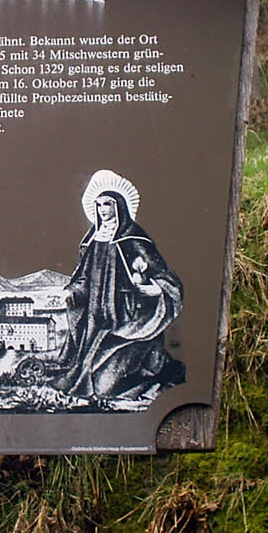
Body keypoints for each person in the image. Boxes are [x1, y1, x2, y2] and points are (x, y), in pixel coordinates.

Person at [54, 170, 184, 406]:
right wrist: (71, 291)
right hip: (95, 324)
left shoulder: (134, 239)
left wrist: (151, 288)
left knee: (105, 387)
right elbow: (84, 279)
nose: (103, 209)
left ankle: (158, 376)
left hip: (127, 324)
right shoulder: (92, 240)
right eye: (99, 204)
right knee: (85, 379)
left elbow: (167, 281)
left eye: (108, 204)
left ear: (119, 206)